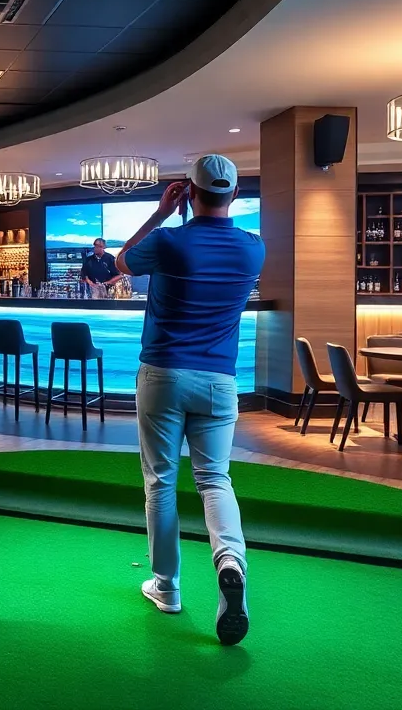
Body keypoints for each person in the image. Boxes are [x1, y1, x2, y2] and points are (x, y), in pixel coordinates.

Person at [114, 154, 264, 646]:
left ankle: (167, 587)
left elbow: (121, 262)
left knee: (161, 482)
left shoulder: (169, 239)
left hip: (163, 375)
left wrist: (161, 213)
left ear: (189, 193)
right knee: (215, 480)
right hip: (220, 381)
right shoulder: (252, 249)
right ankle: (230, 563)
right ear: (234, 196)